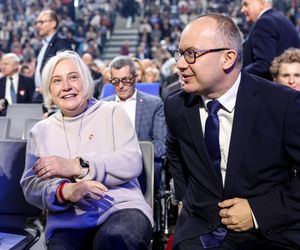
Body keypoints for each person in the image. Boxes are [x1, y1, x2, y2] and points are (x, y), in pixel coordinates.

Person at [166, 13, 300, 250]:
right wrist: (186, 201)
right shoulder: (176, 106)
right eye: (179, 53)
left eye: (191, 54)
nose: (179, 64)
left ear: (227, 58)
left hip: (269, 233)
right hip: (199, 234)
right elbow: (175, 154)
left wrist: (257, 212)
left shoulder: (282, 104)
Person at [20, 50, 153, 250]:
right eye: (57, 81)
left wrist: (78, 166)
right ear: (49, 89)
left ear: (86, 81)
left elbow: (131, 162)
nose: (66, 87)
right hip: (69, 219)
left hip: (120, 207)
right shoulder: (40, 131)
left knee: (113, 240)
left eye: (73, 77)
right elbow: (31, 185)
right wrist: (65, 191)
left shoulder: (112, 112)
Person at [103, 55, 166, 189]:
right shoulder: (102, 105)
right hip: (109, 170)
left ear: (135, 77)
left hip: (143, 168)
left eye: (125, 80)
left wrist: (129, 156)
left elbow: (160, 145)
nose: (120, 86)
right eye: (115, 81)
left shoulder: (154, 104)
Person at [241, 0, 300, 80]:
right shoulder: (279, 18)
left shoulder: (265, 22)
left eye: (246, 4)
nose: (242, 10)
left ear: (261, 4)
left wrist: (238, 76)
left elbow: (263, 65)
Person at [33, 9, 72, 111]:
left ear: (53, 23)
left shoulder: (61, 42)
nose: (38, 25)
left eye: (41, 22)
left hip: (54, 99)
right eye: (37, 22)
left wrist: (49, 88)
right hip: (43, 96)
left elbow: (66, 70)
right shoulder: (43, 45)